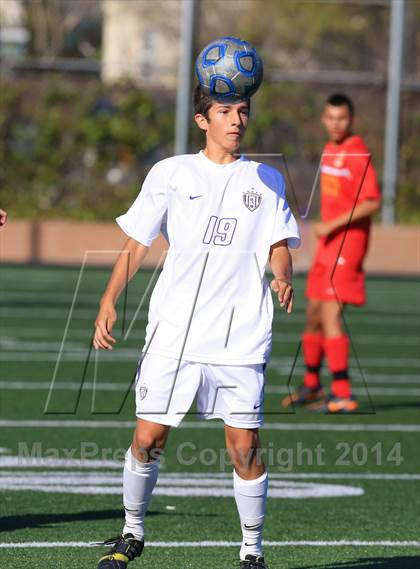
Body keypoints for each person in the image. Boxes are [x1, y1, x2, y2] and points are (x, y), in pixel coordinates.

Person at [93, 84, 300, 569]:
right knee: (148, 439)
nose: (236, 120)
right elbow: (137, 243)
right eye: (225, 111)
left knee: (244, 447)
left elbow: (280, 242)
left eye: (243, 111)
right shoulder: (171, 173)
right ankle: (132, 531)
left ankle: (252, 550)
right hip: (175, 333)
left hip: (241, 335)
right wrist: (108, 300)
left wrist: (282, 275)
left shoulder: (266, 179)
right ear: (203, 120)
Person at [282, 93, 381, 414]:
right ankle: (312, 385)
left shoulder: (356, 152)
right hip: (327, 245)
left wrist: (332, 225)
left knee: (330, 315)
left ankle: (342, 392)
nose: (336, 123)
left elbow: (371, 202)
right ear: (324, 119)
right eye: (331, 117)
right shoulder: (330, 150)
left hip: (347, 245)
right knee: (313, 316)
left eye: (342, 118)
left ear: (351, 120)